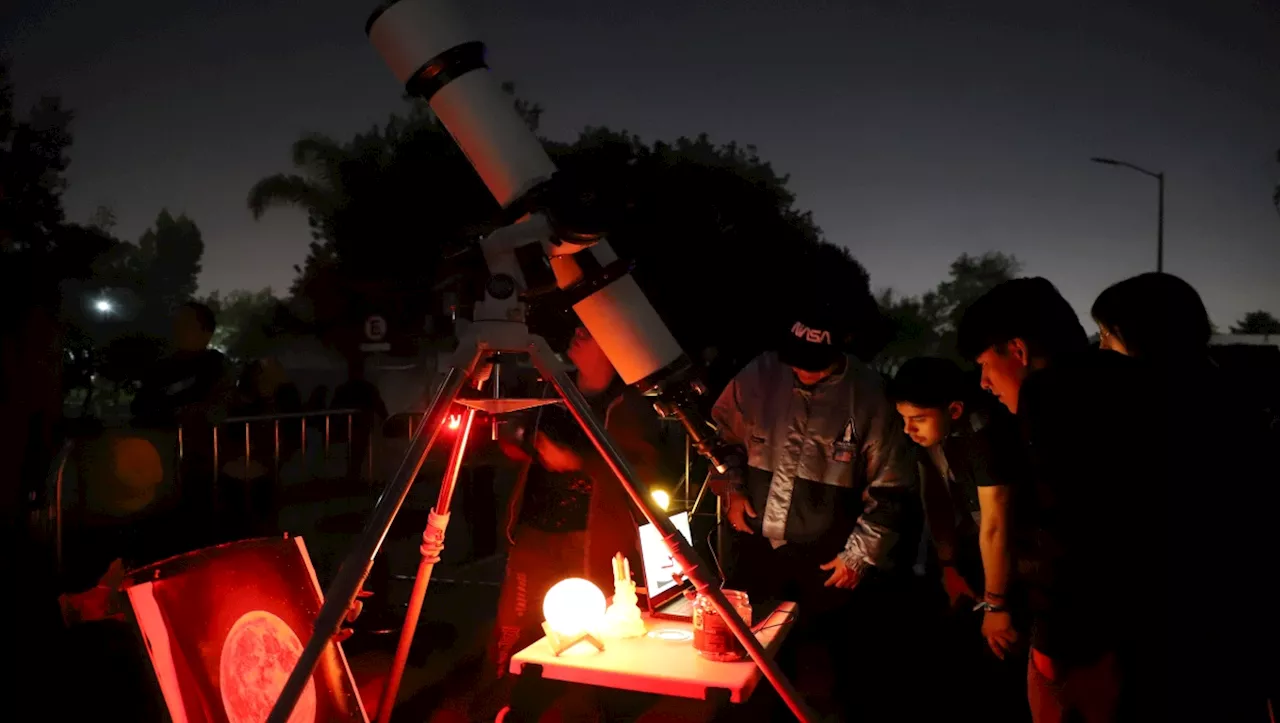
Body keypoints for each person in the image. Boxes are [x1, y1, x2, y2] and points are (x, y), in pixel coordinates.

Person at [957, 277, 1159, 723]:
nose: (985, 384)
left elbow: (1072, 536)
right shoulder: (1135, 383)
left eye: (985, 366)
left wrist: (1052, 653)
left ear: (1018, 350)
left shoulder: (1051, 397)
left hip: (1086, 648)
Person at [709, 299, 919, 721]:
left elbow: (892, 488)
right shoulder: (760, 374)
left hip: (827, 563)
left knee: (827, 678)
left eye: (816, 365)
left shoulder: (869, 395)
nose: (803, 373)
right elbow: (718, 437)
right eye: (796, 362)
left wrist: (859, 555)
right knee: (745, 668)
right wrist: (732, 487)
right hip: (755, 550)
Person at [1092, 272, 1276, 721]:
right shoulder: (1235, 393)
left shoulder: (1153, 410)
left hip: (1181, 619)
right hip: (1237, 620)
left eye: (1106, 335)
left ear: (1142, 335)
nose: (1101, 350)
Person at [466, 325, 675, 721]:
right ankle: (506, 708)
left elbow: (644, 474)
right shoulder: (551, 391)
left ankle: (593, 707)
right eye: (576, 327)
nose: (577, 332)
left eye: (591, 331)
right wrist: (520, 438)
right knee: (515, 630)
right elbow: (519, 436)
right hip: (535, 535)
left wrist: (578, 462)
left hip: (591, 541)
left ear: (612, 347)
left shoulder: (628, 405)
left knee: (589, 637)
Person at [891, 356, 1030, 722]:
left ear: (953, 409)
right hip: (973, 552)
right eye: (903, 418)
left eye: (917, 419)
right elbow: (935, 497)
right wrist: (948, 565)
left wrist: (996, 605)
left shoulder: (984, 435)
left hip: (1021, 558)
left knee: (1007, 666)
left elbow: (997, 524)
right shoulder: (930, 438)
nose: (908, 430)